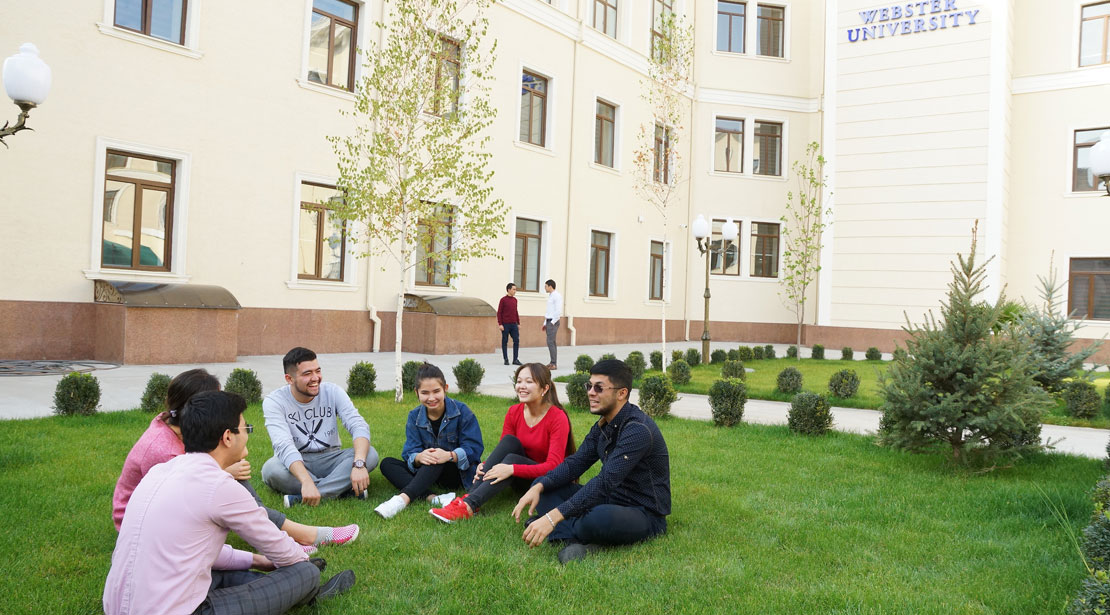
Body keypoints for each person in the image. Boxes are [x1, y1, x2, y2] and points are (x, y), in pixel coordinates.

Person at [104, 391, 355, 615]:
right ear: (227, 437)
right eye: (245, 429)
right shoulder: (218, 485)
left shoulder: (160, 471)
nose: (247, 435)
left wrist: (261, 561)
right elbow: (280, 548)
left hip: (118, 606)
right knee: (305, 572)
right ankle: (310, 594)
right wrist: (297, 564)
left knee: (228, 573)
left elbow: (196, 551)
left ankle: (290, 589)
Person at [112, 368, 358, 548]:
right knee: (233, 484)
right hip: (145, 527)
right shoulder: (163, 448)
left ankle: (284, 535)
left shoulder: (179, 427)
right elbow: (179, 495)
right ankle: (298, 536)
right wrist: (225, 474)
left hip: (174, 509)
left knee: (235, 478)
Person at [511, 359, 670, 565]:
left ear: (621, 393)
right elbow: (575, 463)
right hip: (610, 498)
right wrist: (539, 485)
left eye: (598, 387)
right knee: (546, 487)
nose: (590, 392)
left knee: (597, 519)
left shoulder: (637, 429)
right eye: (589, 386)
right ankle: (575, 536)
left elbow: (604, 482)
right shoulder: (604, 424)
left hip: (643, 513)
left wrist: (553, 517)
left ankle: (567, 532)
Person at [430, 362, 573, 523]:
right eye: (519, 381)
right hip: (521, 478)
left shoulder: (557, 417)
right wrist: (485, 465)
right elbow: (502, 451)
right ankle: (467, 500)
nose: (522, 386)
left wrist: (512, 469)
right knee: (509, 441)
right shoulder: (514, 412)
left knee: (512, 460)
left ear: (545, 388)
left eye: (529, 381)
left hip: (546, 482)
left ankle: (469, 505)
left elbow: (554, 466)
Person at [261, 347, 380, 507]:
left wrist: (358, 464)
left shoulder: (333, 391)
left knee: (369, 454)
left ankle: (305, 497)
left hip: (331, 458)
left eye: (317, 371)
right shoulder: (274, 401)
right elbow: (283, 445)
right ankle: (342, 491)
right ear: (289, 379)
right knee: (271, 470)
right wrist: (305, 480)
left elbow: (358, 425)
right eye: (307, 374)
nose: (315, 378)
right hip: (298, 461)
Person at [374, 363, 484, 519]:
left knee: (436, 457)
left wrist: (449, 455)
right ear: (417, 393)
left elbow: (474, 448)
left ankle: (402, 500)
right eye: (425, 393)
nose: (431, 398)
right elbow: (410, 451)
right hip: (426, 472)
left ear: (445, 388)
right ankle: (433, 498)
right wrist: (419, 457)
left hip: (456, 472)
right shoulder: (414, 416)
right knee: (387, 464)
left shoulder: (462, 412)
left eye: (436, 391)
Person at [497, 282, 522, 366]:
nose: (515, 291)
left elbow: (516, 312)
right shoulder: (503, 300)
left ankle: (515, 359)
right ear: (509, 290)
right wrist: (500, 324)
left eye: (515, 289)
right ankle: (506, 359)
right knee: (505, 341)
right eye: (514, 289)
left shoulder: (515, 300)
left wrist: (518, 323)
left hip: (514, 324)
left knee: (516, 340)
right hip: (505, 324)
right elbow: (499, 312)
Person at [542, 279, 562, 370]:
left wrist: (553, 322)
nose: (545, 288)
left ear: (550, 286)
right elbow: (549, 311)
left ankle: (553, 363)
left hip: (553, 321)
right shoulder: (551, 296)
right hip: (549, 321)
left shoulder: (556, 296)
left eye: (546, 286)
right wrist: (545, 323)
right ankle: (552, 362)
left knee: (551, 342)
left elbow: (558, 310)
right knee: (550, 342)